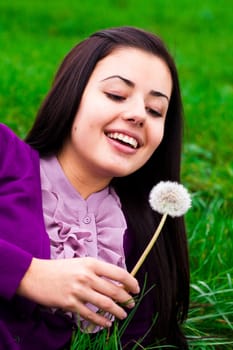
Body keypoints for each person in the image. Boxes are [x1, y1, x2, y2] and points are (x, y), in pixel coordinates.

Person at [0, 26, 190, 349]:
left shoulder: (146, 241)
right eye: (116, 95)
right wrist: (27, 274)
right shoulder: (5, 156)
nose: (137, 115)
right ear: (70, 94)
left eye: (155, 110)